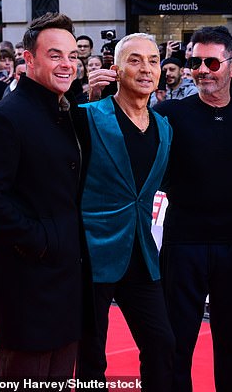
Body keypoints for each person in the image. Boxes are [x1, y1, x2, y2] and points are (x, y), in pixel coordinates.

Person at [0, 11, 91, 385]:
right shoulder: (7, 118)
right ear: (29, 58)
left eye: (72, 56)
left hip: (66, 282)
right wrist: (41, 240)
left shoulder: (64, 112)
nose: (67, 64)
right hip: (28, 285)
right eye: (55, 55)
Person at [153, 26, 232, 392]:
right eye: (195, 61)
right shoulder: (169, 113)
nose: (201, 69)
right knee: (175, 341)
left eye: (211, 61)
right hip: (181, 242)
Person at [75, 32, 175, 392]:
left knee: (162, 344)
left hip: (141, 252)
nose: (146, 68)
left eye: (153, 60)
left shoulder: (164, 127)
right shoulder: (86, 116)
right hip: (92, 252)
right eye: (135, 60)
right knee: (91, 356)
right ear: (116, 70)